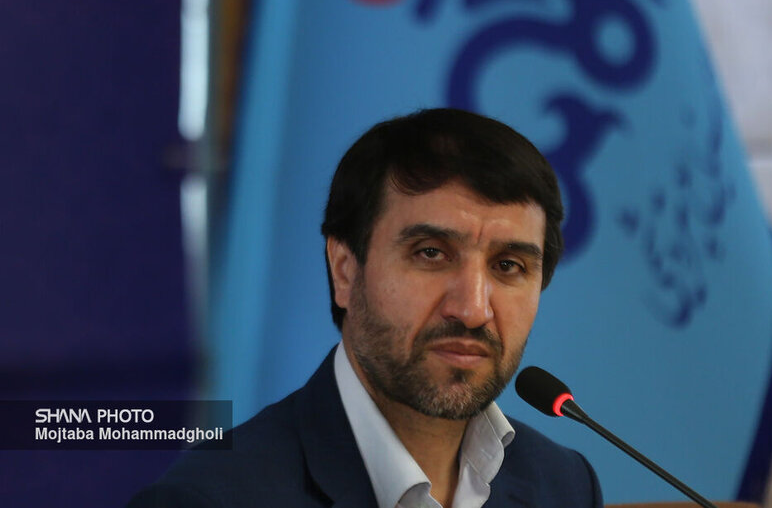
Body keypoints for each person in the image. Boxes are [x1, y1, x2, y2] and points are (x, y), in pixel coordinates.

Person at [129, 108, 603, 508]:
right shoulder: (211, 498)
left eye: (508, 265)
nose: (473, 309)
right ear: (344, 270)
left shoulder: (564, 486)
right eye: (431, 254)